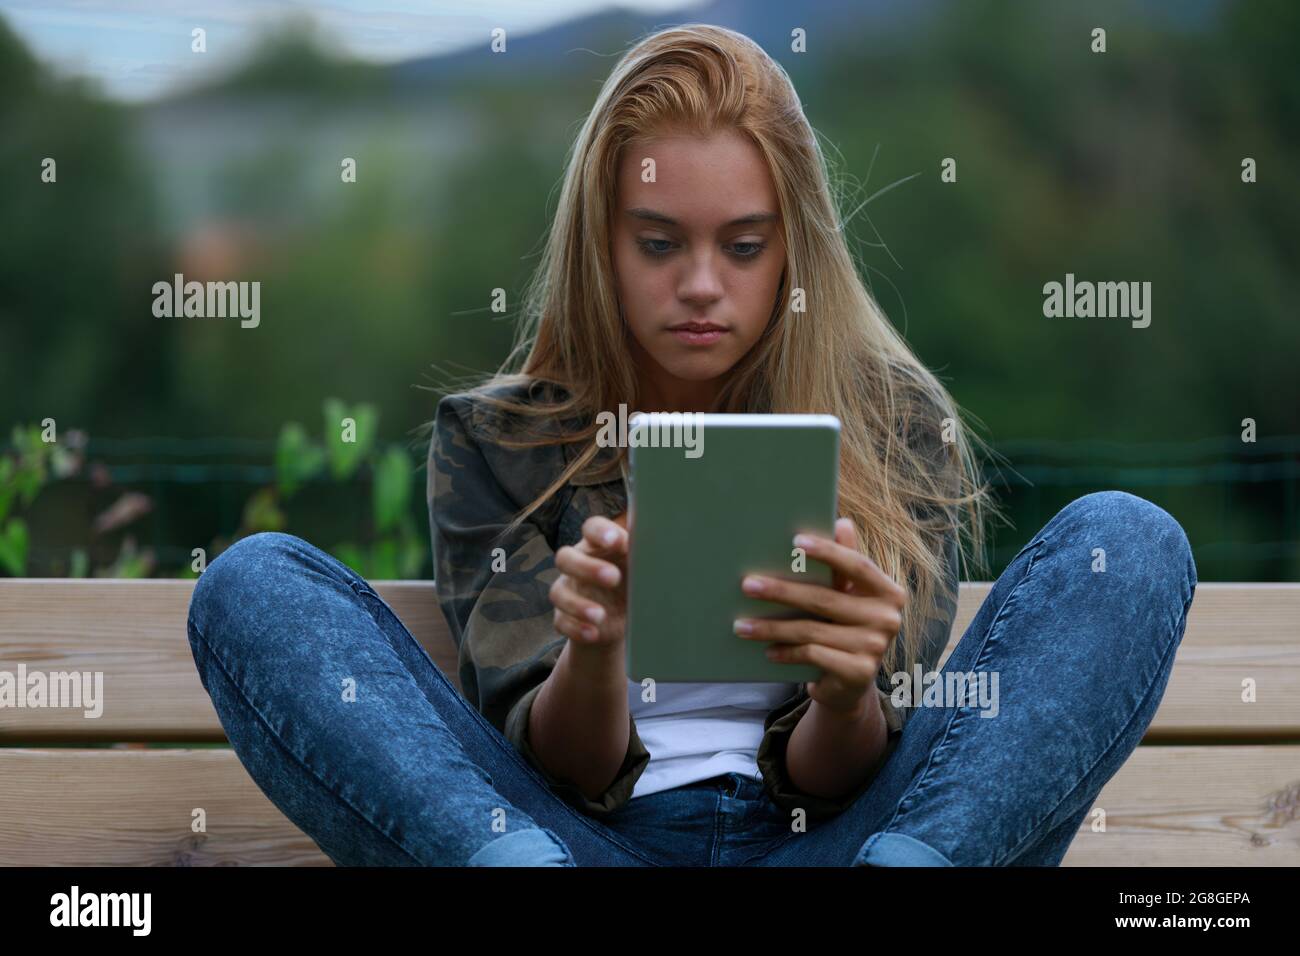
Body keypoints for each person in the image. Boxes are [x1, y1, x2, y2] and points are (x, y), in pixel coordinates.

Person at [186, 23, 1197, 866]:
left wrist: (848, 694)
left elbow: (841, 772)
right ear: (602, 239)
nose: (703, 283)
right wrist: (595, 650)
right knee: (251, 584)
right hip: (571, 844)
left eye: (743, 245)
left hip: (845, 844)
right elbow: (569, 768)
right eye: (659, 242)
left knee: (1130, 538)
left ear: (793, 245)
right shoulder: (500, 437)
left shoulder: (896, 425)